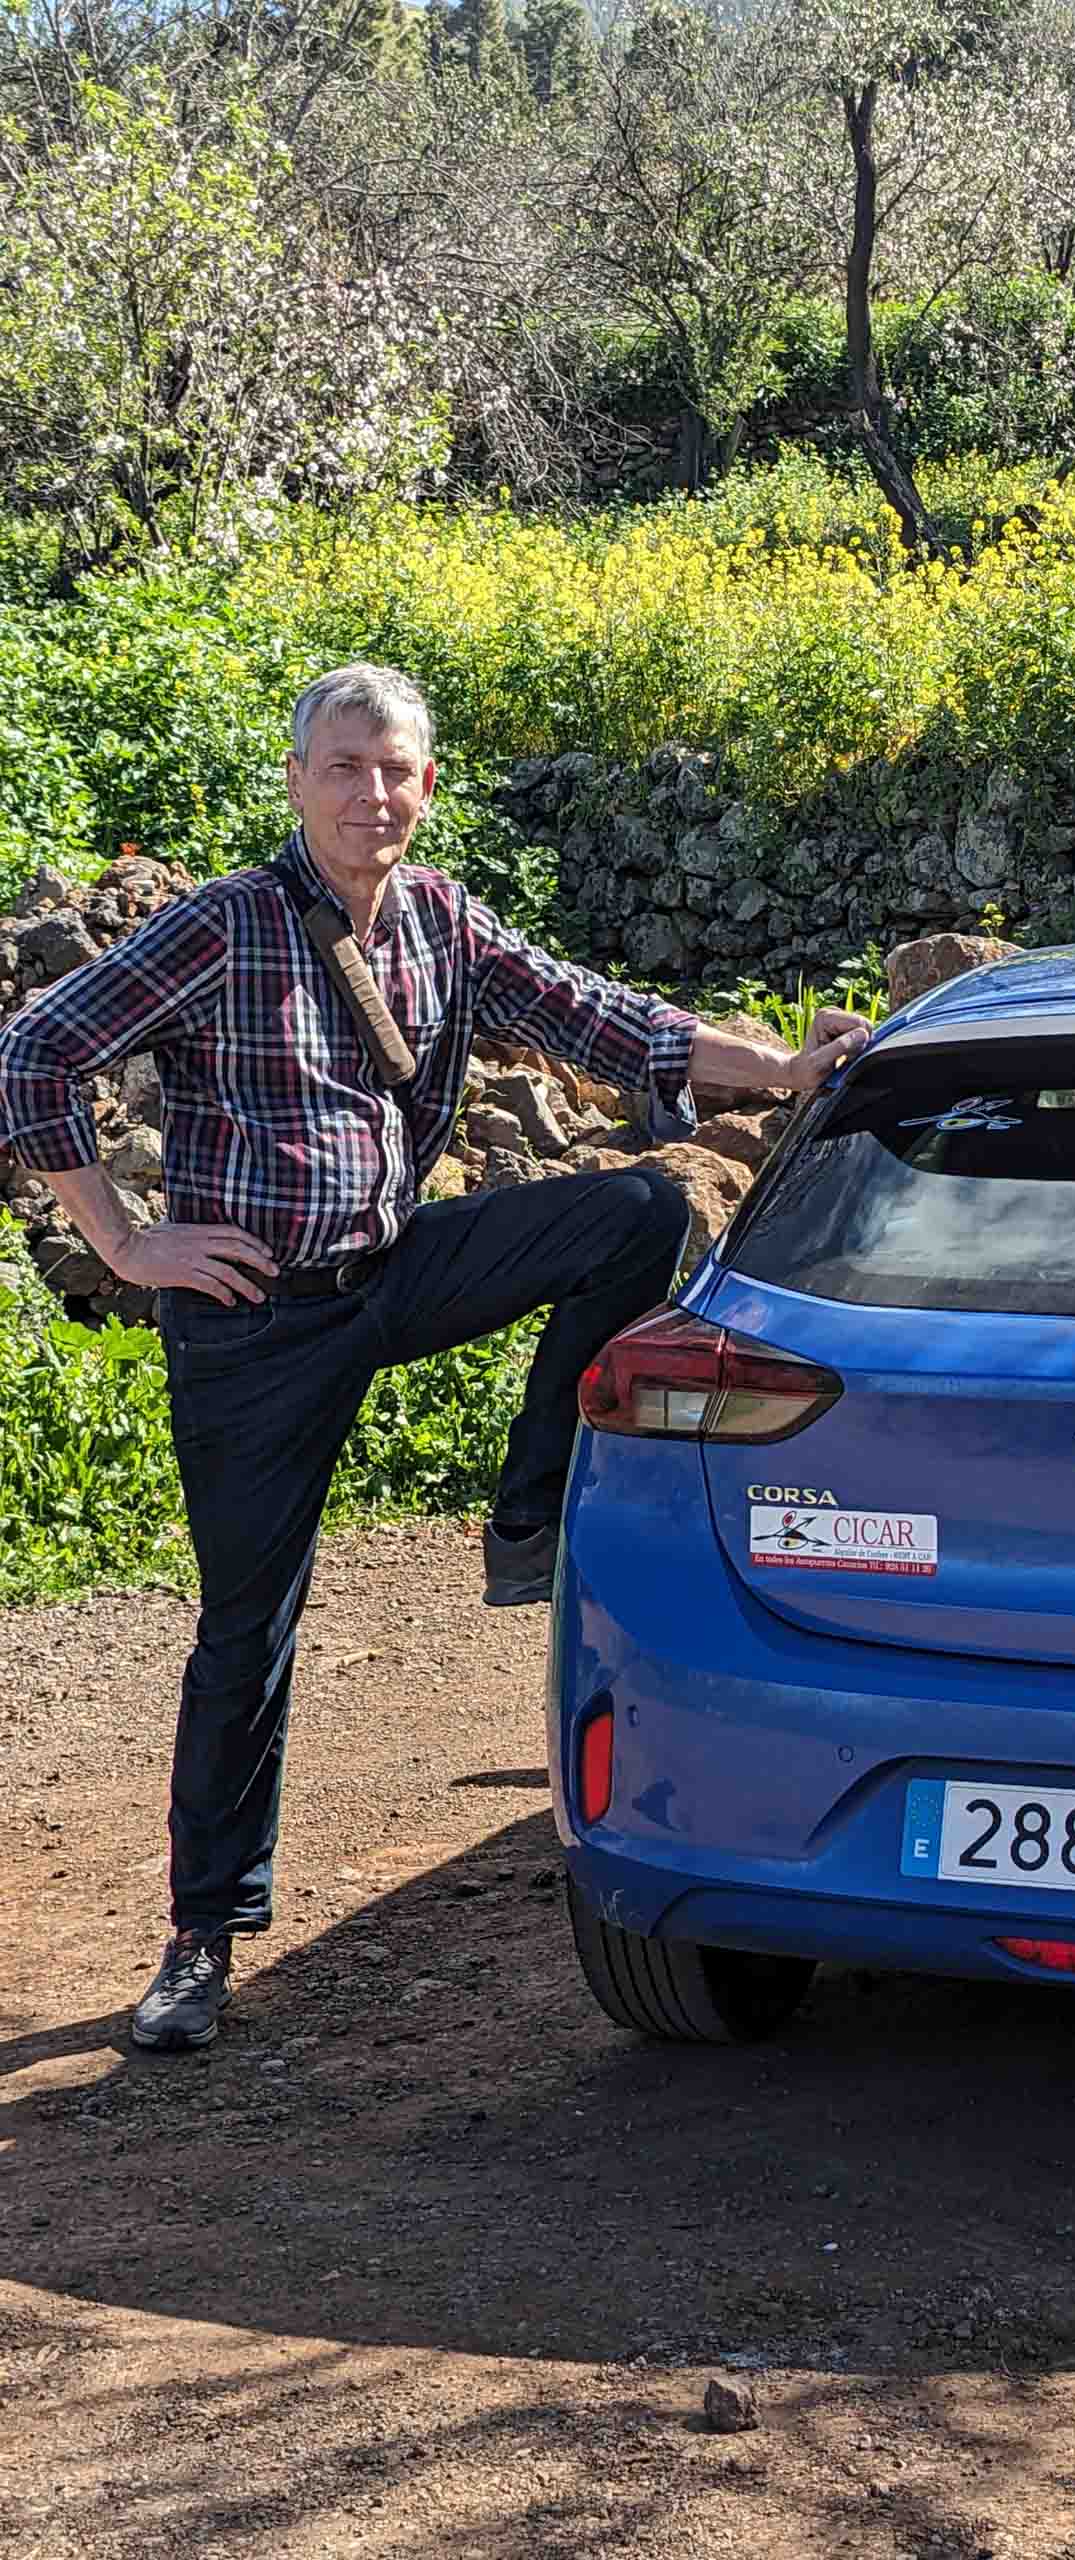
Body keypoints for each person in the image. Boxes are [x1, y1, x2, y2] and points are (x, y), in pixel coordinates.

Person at [0, 663, 871, 2051]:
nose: (373, 793)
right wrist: (123, 1240)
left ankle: (526, 1518)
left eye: (395, 769)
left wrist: (783, 1071)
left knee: (637, 1210)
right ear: (299, 782)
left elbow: (603, 1021)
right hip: (255, 1317)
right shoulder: (225, 925)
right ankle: (203, 1937)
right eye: (345, 767)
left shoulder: (442, 920)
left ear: (426, 785)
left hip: (394, 1270)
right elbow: (34, 1054)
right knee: (247, 1627)